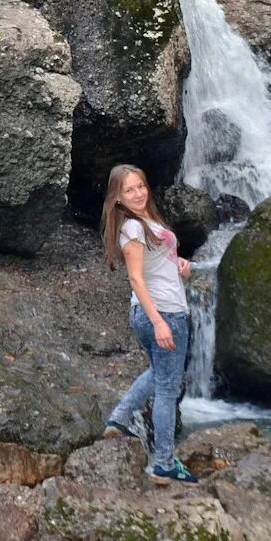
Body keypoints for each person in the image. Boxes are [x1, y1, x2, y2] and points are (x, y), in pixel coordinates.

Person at [98, 164, 197, 486]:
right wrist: (159, 322)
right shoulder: (133, 229)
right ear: (117, 198)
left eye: (140, 186)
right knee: (168, 388)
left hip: (155, 310)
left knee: (158, 373)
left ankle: (120, 417)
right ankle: (164, 463)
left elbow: (155, 266)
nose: (138, 193)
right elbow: (135, 277)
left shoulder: (143, 224)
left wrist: (179, 264)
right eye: (129, 190)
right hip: (162, 313)